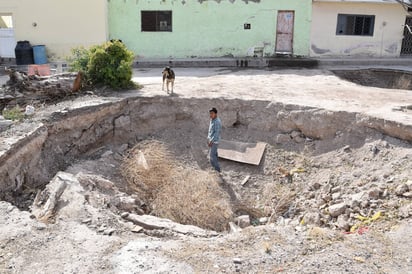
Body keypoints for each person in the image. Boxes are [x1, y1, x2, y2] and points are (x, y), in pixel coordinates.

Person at [207, 107, 222, 172]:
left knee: (212, 156)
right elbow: (210, 131)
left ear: (216, 114)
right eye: (210, 113)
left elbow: (217, 133)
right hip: (211, 140)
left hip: (214, 141)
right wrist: (208, 139)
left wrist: (211, 141)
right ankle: (215, 169)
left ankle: (217, 170)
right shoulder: (212, 120)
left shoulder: (217, 121)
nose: (210, 115)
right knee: (215, 155)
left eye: (212, 113)